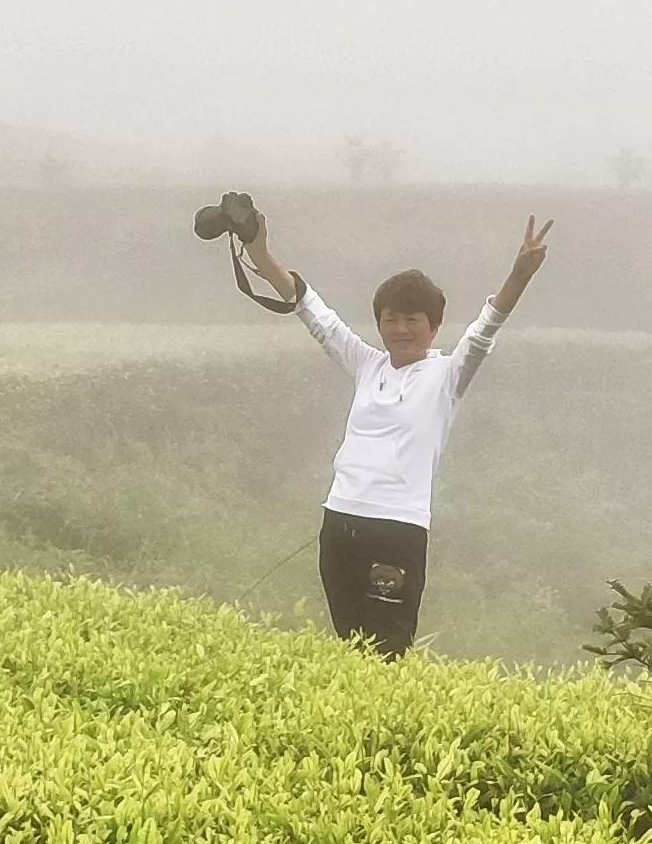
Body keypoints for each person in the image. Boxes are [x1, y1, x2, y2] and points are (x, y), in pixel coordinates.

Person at [236, 212, 551, 657]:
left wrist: (520, 273)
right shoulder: (367, 365)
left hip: (397, 529)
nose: (400, 330)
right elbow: (313, 311)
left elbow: (486, 328)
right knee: (349, 648)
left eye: (412, 320)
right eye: (390, 320)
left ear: (434, 325)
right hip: (339, 522)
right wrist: (259, 252)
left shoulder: (448, 375)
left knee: (387, 652)